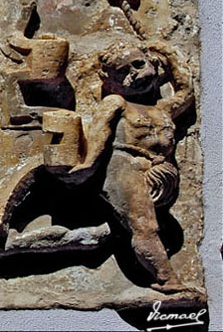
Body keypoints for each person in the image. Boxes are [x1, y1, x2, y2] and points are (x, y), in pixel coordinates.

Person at [71, 41, 194, 293]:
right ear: (109, 81)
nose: (134, 75)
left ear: (152, 63)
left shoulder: (163, 108)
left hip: (160, 173)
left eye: (138, 64)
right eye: (123, 73)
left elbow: (186, 90)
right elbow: (99, 134)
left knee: (107, 233)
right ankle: (168, 281)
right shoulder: (116, 103)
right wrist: (87, 165)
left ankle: (27, 244)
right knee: (145, 226)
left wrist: (166, 51)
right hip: (125, 166)